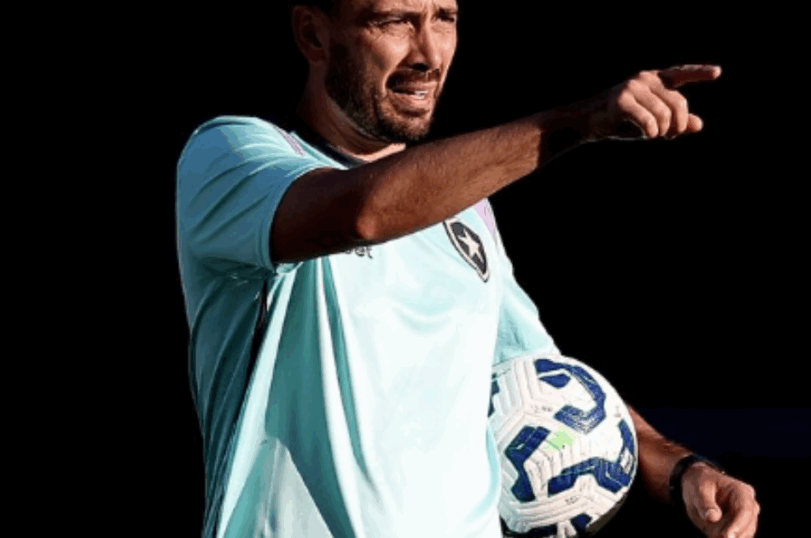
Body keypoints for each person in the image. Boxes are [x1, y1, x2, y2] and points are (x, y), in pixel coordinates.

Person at [176, 1, 760, 537]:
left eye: (445, 19)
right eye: (394, 21)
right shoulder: (231, 157)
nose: (429, 54)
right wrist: (576, 124)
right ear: (312, 34)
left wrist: (683, 471)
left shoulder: (466, 212)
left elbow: (546, 385)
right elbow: (363, 213)